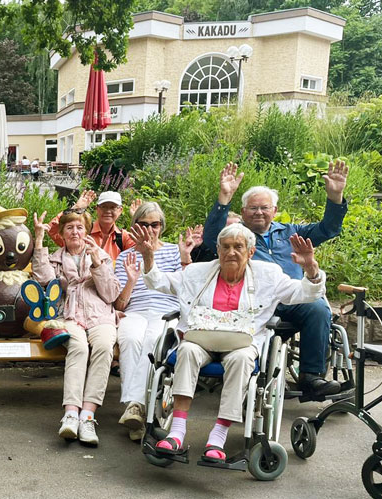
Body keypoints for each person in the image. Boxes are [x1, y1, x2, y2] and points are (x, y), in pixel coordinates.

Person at [135, 222, 326, 462]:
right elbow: (158, 282)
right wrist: (148, 256)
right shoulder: (197, 272)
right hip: (201, 338)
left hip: (242, 343)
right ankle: (176, 432)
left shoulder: (269, 275)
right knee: (187, 350)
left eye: (238, 246)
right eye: (225, 247)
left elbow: (306, 294)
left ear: (251, 251)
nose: (231, 252)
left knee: (242, 358)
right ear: (218, 250)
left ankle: (218, 436)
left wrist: (310, 268)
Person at [202, 161, 349, 398]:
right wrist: (224, 198)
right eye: (253, 208)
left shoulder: (292, 232)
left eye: (264, 207)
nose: (259, 212)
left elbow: (328, 229)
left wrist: (335, 197)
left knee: (319, 308)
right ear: (243, 212)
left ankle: (311, 377)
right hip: (254, 302)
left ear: (275, 209)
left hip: (292, 298)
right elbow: (211, 237)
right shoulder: (237, 237)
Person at [114, 202, 203, 441]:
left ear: (161, 227)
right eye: (143, 224)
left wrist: (186, 259)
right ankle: (137, 410)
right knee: (130, 339)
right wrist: (132, 281)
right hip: (136, 312)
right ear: (134, 228)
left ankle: (134, 407)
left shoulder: (176, 251)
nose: (149, 229)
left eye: (154, 224)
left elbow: (188, 292)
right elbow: (120, 305)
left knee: (154, 340)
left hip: (167, 313)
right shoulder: (125, 257)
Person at [32, 208, 121, 446]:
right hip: (69, 316)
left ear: (87, 231)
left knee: (104, 347)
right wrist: (39, 240)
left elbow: (111, 294)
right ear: (61, 233)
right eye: (69, 227)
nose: (75, 231)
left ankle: (88, 416)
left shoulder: (100, 255)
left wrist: (97, 263)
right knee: (79, 348)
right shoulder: (55, 258)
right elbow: (44, 282)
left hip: (100, 315)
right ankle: (71, 414)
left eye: (80, 227)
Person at [48, 190, 136, 261]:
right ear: (97, 209)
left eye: (113, 207)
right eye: (104, 206)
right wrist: (75, 208)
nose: (108, 211)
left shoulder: (123, 237)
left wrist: (138, 220)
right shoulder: (83, 231)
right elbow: (52, 229)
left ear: (120, 210)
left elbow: (142, 251)